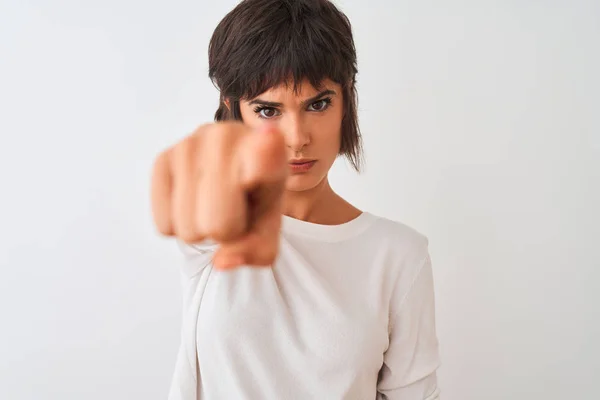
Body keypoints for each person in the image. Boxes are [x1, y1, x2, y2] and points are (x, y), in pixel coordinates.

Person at [150, 0, 441, 399]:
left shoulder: (399, 255)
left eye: (317, 104)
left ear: (346, 101)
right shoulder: (217, 230)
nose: (297, 137)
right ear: (233, 109)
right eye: (268, 110)